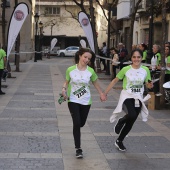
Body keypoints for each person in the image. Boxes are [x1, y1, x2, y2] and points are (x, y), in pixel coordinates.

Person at [104, 49, 153, 151]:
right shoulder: (126, 69)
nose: (136, 59)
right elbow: (114, 81)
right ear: (131, 58)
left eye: (138, 57)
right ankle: (122, 120)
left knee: (132, 120)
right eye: (134, 57)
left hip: (138, 97)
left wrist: (150, 85)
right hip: (127, 96)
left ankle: (119, 141)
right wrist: (105, 93)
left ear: (141, 58)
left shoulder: (145, 70)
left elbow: (148, 84)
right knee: (132, 115)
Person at [61, 48, 106, 158]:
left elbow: (95, 83)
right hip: (73, 100)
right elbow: (66, 81)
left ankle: (78, 137)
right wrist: (63, 90)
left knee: (81, 123)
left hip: (86, 101)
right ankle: (78, 148)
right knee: (76, 123)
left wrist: (101, 93)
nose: (86, 60)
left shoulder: (90, 71)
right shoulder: (70, 69)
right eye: (85, 57)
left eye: (89, 59)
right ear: (80, 56)